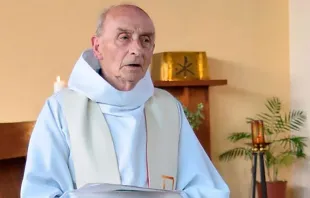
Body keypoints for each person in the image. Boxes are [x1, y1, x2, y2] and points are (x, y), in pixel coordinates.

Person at [20, 3, 230, 198]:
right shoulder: (61, 109)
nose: (137, 49)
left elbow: (207, 189)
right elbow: (39, 192)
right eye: (124, 37)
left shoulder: (167, 108)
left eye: (145, 40)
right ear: (97, 46)